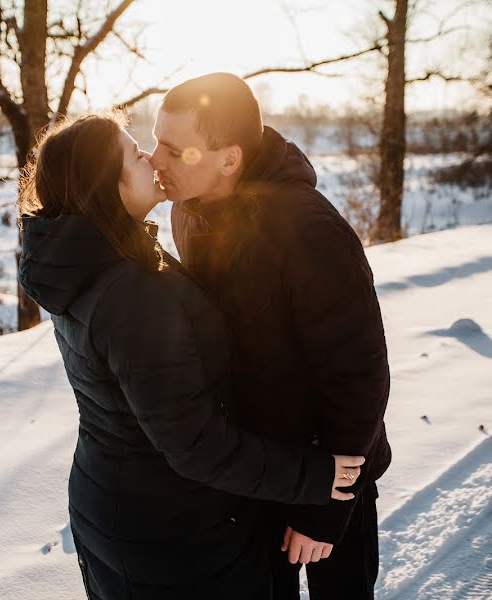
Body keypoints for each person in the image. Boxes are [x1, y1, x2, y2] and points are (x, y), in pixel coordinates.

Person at [17, 112, 364, 600]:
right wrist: (312, 477)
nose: (152, 159)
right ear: (106, 186)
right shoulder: (130, 292)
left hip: (120, 503)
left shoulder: (84, 261)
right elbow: (195, 443)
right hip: (171, 532)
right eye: (136, 154)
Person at [152, 73, 392, 599]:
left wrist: (326, 512)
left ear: (229, 159)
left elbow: (359, 377)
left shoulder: (308, 230)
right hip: (255, 473)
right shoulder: (187, 211)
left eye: (173, 149)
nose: (155, 160)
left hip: (330, 475)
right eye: (154, 142)